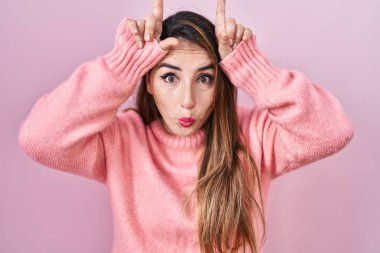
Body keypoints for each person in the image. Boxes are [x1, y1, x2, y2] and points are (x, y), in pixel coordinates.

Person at [17, 0, 355, 252]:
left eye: (205, 78)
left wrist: (252, 67)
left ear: (222, 81)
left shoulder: (254, 136)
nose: (188, 100)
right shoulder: (122, 140)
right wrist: (122, 66)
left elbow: (333, 130)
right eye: (169, 77)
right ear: (147, 81)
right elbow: (40, 138)